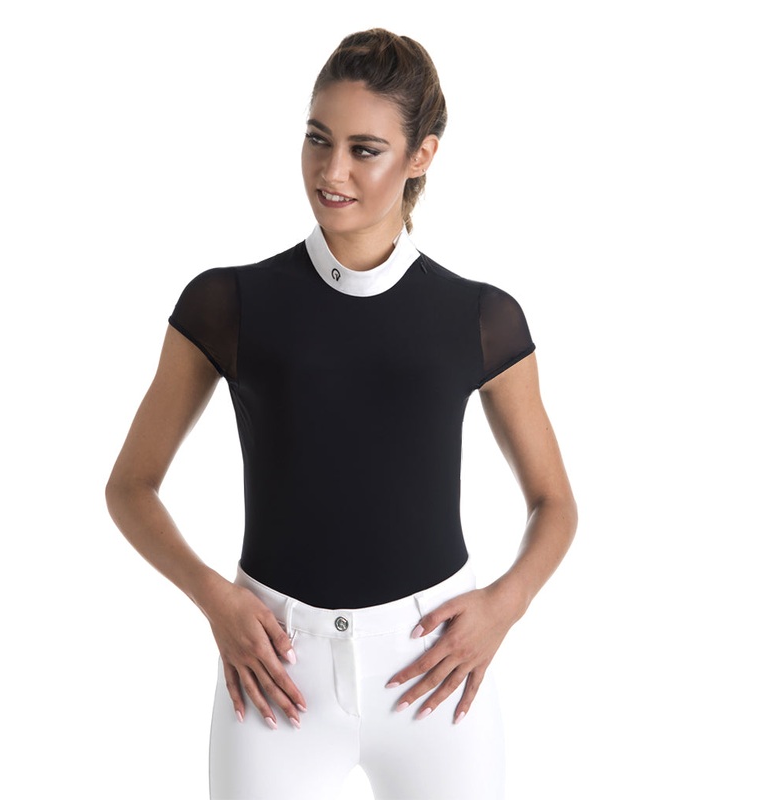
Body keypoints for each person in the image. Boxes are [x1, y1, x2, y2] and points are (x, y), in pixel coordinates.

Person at [105, 27, 577, 800]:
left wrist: (506, 604)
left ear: (421, 155)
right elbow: (130, 486)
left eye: (366, 150)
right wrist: (216, 600)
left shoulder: (480, 317)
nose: (331, 171)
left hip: (436, 673)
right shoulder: (228, 303)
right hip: (272, 669)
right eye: (318, 139)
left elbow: (553, 502)